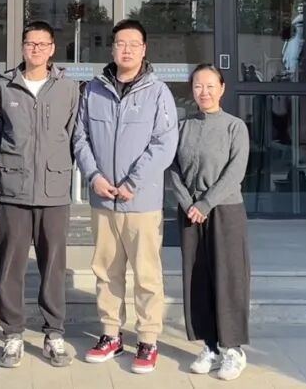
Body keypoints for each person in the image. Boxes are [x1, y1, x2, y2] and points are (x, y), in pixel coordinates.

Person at [73, 19, 179, 374]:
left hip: (141, 202)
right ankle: (110, 334)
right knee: (106, 270)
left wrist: (134, 181)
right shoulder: (94, 90)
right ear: (112, 48)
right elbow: (80, 137)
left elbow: (164, 143)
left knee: (147, 274)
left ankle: (147, 339)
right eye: (121, 43)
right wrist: (94, 176)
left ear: (144, 49)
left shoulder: (158, 92)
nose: (127, 49)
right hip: (103, 199)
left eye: (134, 43)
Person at [0, 20, 80, 368]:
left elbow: (72, 135)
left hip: (53, 192)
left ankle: (53, 333)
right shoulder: (3, 87)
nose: (36, 49)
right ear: (22, 46)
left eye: (43, 44)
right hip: (13, 190)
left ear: (52, 48)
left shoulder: (68, 88)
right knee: (10, 267)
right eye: (30, 43)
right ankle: (12, 334)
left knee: (53, 267)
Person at [168, 64, 251, 381]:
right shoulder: (183, 126)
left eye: (210, 86)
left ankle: (233, 349)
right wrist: (188, 203)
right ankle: (210, 346)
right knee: (198, 278)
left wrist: (205, 203)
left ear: (222, 88)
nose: (204, 92)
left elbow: (235, 172)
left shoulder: (234, 127)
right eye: (198, 86)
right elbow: (173, 168)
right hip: (190, 212)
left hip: (224, 210)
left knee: (229, 278)